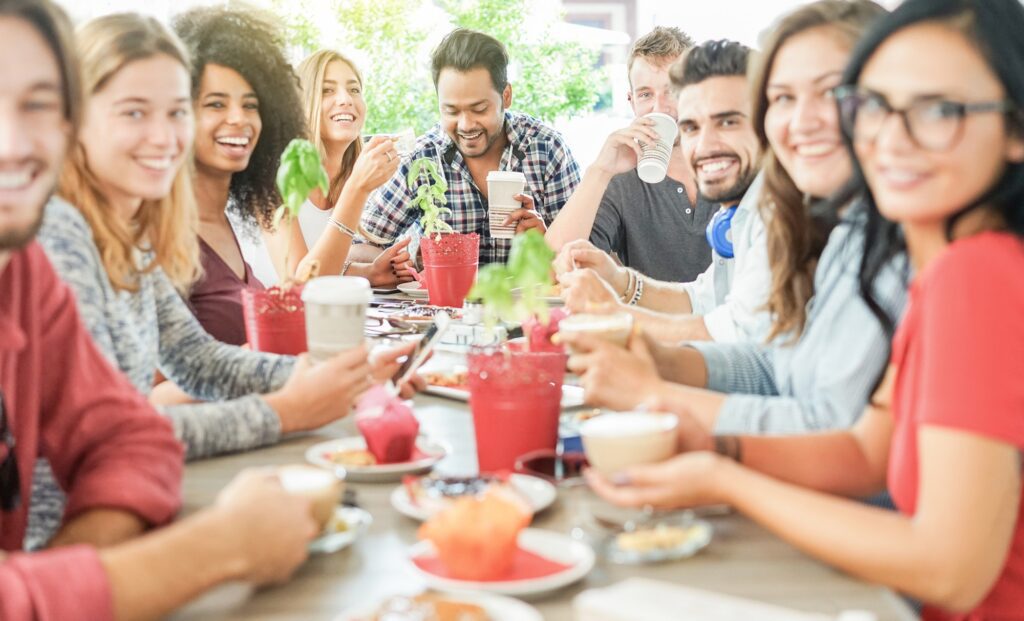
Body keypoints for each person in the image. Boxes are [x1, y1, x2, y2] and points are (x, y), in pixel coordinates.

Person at [587, 0, 1024, 617]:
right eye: (875, 103)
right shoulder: (905, 251)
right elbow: (867, 451)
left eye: (939, 110)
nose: (891, 136)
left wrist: (723, 472)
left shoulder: (978, 274)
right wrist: (712, 441)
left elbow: (949, 570)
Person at [30, 13, 418, 548]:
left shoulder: (125, 234)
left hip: (130, 513)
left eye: (173, 113)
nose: (164, 136)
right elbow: (106, 437)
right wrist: (285, 410)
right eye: (135, 112)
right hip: (67, 549)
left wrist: (334, 373)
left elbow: (199, 361)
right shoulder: (60, 233)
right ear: (75, 119)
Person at [0, 2, 318, 619]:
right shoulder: (54, 236)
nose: (14, 142)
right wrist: (219, 544)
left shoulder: (28, 267)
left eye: (37, 103)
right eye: (133, 112)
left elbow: (129, 437)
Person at [562, 1, 902, 436]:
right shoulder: (840, 229)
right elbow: (764, 360)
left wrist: (628, 334)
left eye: (728, 120)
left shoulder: (865, 232)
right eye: (786, 99)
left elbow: (836, 430)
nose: (802, 121)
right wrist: (627, 294)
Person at [559, 39, 771, 344]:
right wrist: (621, 281)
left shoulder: (782, 205)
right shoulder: (737, 203)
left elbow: (741, 338)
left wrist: (617, 317)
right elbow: (704, 300)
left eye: (727, 121)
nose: (705, 145)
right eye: (691, 127)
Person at [353, 28, 581, 266]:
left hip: (528, 302)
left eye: (479, 109)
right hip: (444, 303)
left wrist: (547, 242)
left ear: (506, 96)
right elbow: (360, 247)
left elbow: (585, 254)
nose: (465, 125)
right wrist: (407, 262)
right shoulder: (423, 159)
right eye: (451, 111)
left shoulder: (547, 150)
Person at [171, 7, 304, 345]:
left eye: (250, 105)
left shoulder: (221, 221)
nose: (238, 119)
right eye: (215, 104)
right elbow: (152, 392)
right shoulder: (164, 234)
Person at [544, 27, 716, 283]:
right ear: (632, 101)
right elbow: (553, 268)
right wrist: (600, 170)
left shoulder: (733, 166)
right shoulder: (621, 179)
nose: (660, 107)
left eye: (672, 91)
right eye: (646, 94)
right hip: (648, 322)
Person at [264, 49, 414, 285]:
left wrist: (371, 273)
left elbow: (317, 261)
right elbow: (301, 284)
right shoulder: (274, 173)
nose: (346, 99)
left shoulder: (344, 176)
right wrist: (357, 189)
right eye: (327, 90)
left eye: (354, 89)